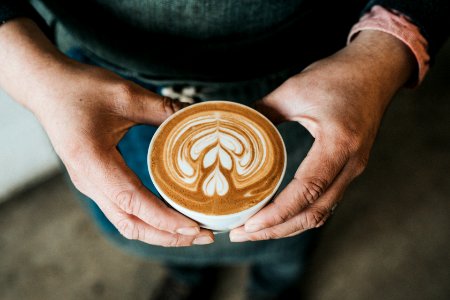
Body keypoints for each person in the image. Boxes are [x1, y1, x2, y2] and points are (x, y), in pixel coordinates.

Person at [0, 0, 448, 299]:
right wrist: (31, 72)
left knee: (293, 222)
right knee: (151, 222)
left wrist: (386, 49)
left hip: (304, 76)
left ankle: (275, 286)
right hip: (98, 81)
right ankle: (189, 274)